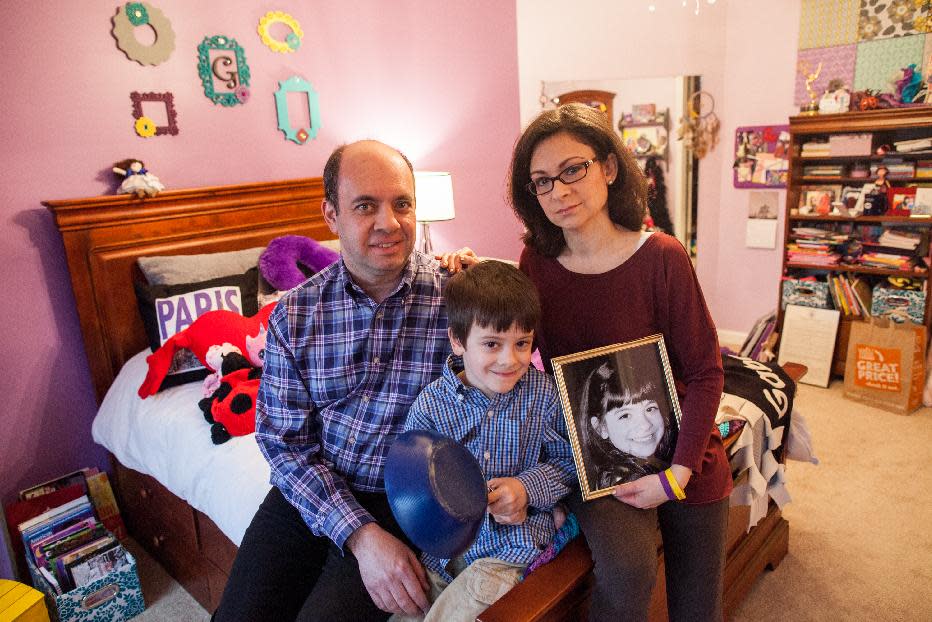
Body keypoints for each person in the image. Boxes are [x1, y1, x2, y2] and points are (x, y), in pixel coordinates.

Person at [213, 140, 474, 622]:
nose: (388, 223)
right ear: (331, 215)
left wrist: (487, 284)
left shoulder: (457, 299)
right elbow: (283, 442)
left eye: (402, 204)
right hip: (311, 491)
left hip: (404, 496)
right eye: (365, 206)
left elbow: (514, 357)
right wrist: (360, 535)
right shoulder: (295, 314)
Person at [509, 103, 730, 621]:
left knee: (699, 612)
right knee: (628, 578)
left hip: (685, 453)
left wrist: (677, 474)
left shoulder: (663, 257)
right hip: (600, 460)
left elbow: (705, 371)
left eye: (572, 170)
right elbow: (509, 344)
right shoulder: (535, 265)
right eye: (542, 181)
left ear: (608, 167)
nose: (559, 192)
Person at [394, 260, 576, 622]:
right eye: (492, 344)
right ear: (458, 341)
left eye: (522, 343)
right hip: (440, 559)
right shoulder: (431, 405)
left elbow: (570, 463)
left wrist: (526, 489)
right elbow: (410, 481)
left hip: (508, 552)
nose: (510, 360)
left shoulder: (542, 395)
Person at [578, 360, 676, 490]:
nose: (645, 425)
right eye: (625, 415)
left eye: (650, 408)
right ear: (601, 428)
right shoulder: (619, 480)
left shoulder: (664, 458)